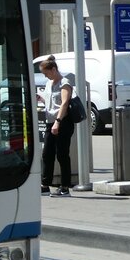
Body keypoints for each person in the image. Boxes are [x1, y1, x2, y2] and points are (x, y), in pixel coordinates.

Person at [39, 57, 77, 195]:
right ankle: (45, 184)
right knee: (47, 153)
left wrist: (58, 122)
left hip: (62, 122)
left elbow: (64, 103)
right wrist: (41, 99)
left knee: (62, 154)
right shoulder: (49, 83)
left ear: (53, 69)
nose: (45, 75)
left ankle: (65, 186)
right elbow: (52, 101)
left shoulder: (64, 83)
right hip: (50, 122)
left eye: (46, 73)